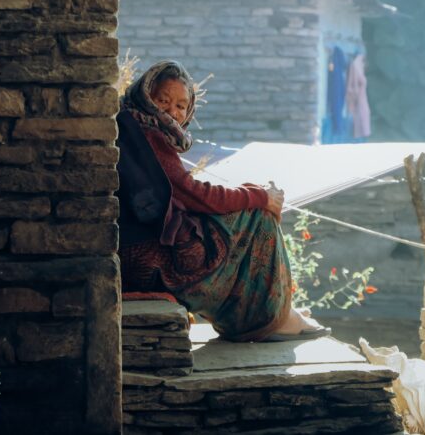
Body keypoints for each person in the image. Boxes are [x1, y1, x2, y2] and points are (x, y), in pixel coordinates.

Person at [117, 60, 328, 342]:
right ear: (146, 97)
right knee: (259, 215)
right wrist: (259, 196)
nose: (172, 112)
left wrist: (252, 194)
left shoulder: (135, 126)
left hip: (141, 244)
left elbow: (183, 192)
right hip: (149, 255)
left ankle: (270, 313)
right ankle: (272, 318)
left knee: (252, 206)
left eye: (181, 106)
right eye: (163, 100)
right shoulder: (148, 132)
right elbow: (191, 192)